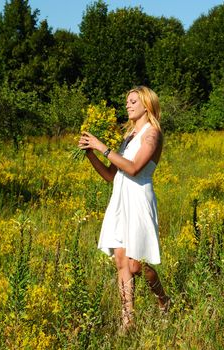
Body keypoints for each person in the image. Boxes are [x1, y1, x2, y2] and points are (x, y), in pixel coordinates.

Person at [78, 86, 170, 332]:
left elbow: (134, 168)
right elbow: (111, 175)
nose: (127, 105)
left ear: (146, 105)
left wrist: (102, 147)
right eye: (127, 101)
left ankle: (163, 300)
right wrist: (90, 154)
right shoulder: (127, 137)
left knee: (138, 264)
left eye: (132, 101)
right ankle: (127, 320)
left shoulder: (153, 134)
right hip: (120, 198)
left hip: (139, 199)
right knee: (121, 261)